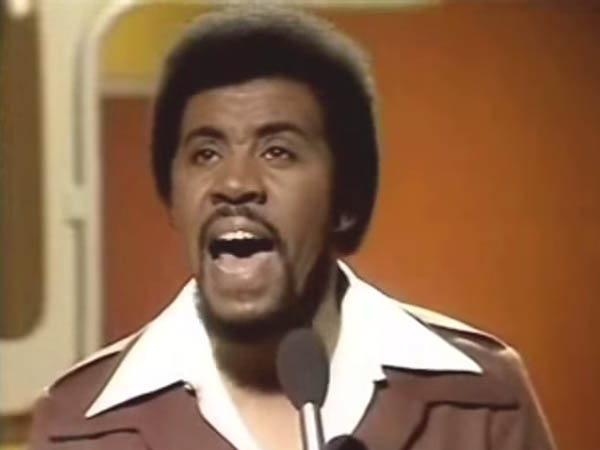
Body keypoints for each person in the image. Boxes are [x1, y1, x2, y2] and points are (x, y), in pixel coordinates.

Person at [29, 6, 556, 450]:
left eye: (277, 151)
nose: (235, 183)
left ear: (346, 198)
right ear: (172, 199)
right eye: (206, 153)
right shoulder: (79, 426)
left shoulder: (481, 401)